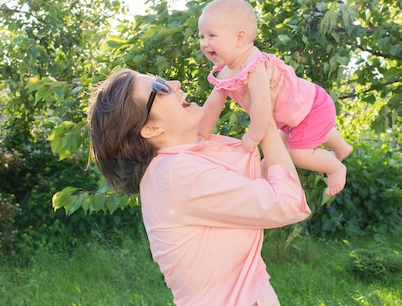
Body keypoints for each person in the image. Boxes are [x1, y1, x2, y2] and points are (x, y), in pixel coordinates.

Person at [87, 68, 311, 306]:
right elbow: (287, 203)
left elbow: (257, 186)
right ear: (150, 128)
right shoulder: (178, 174)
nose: (175, 82)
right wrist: (262, 117)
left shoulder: (180, 164)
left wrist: (282, 126)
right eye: (160, 87)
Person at [198, 0, 353, 196]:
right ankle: (342, 148)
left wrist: (253, 136)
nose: (205, 44)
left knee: (297, 154)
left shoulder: (253, 66)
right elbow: (212, 106)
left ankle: (335, 167)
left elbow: (262, 105)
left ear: (239, 38)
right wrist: (202, 135)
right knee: (280, 151)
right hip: (298, 112)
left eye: (211, 36)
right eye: (201, 36)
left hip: (312, 107)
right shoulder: (227, 73)